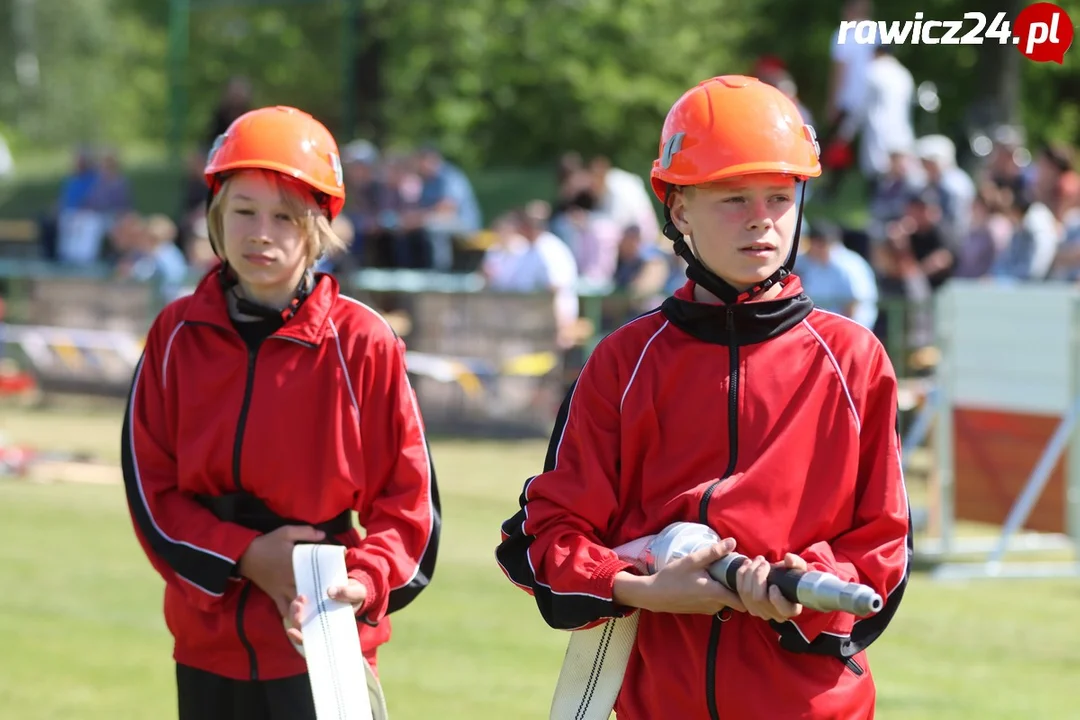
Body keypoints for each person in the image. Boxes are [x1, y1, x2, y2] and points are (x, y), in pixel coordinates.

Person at [495, 76, 910, 720]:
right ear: (678, 209)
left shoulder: (853, 359)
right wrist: (643, 589)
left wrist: (798, 588)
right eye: (734, 198)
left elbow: (882, 552)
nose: (761, 219)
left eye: (779, 196)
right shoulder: (622, 362)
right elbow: (544, 538)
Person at [121, 105, 440, 720]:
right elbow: (150, 493)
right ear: (216, 215)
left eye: (285, 216)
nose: (261, 232)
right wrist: (244, 554)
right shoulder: (174, 335)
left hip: (319, 636)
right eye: (244, 211)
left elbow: (411, 507)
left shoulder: (362, 341)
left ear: (319, 224)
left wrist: (362, 584)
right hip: (205, 643)